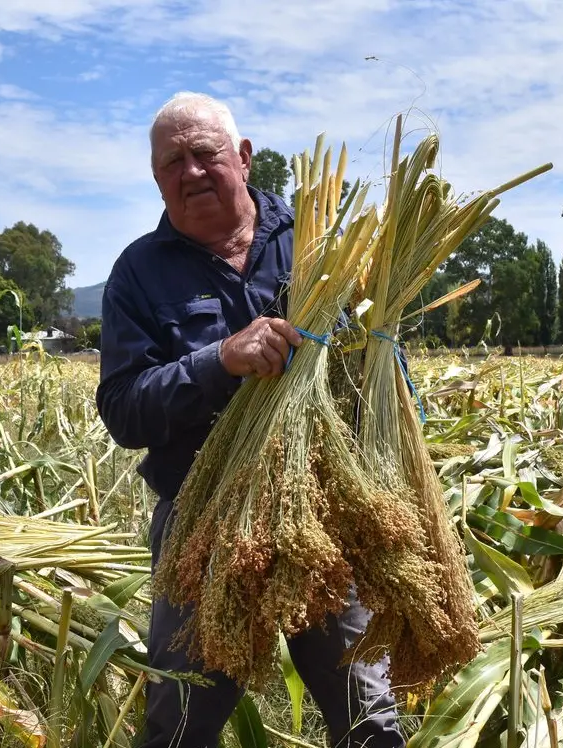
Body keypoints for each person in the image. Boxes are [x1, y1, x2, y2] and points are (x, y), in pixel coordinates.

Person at [95, 91, 405, 748]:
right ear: (157, 179)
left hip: (324, 517)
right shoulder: (138, 275)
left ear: (242, 156)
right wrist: (218, 361)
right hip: (202, 528)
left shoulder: (322, 245)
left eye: (203, 153)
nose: (190, 172)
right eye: (171, 163)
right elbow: (124, 411)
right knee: (180, 723)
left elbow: (378, 364)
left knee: (369, 719)